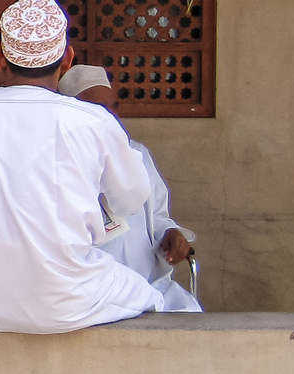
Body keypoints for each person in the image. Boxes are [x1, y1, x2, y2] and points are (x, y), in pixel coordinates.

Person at [0, 0, 165, 335]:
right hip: (60, 302)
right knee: (156, 298)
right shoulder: (93, 121)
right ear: (68, 59)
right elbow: (131, 200)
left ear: (0, 59)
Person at [58, 64, 201, 312]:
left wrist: (171, 234)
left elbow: (157, 217)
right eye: (97, 108)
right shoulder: (60, 162)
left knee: (189, 315)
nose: (109, 117)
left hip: (150, 285)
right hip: (95, 293)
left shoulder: (137, 154)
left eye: (113, 107)